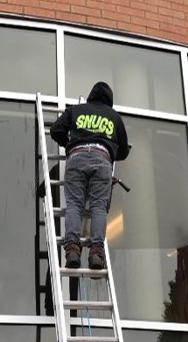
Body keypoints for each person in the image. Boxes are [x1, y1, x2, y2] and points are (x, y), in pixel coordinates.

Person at [50, 81, 130, 270]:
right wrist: (110, 151)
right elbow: (124, 151)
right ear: (109, 100)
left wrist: (70, 145)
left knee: (74, 205)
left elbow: (55, 131)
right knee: (98, 207)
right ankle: (96, 253)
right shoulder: (114, 117)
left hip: (76, 158)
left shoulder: (75, 110)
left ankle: (71, 250)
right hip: (102, 160)